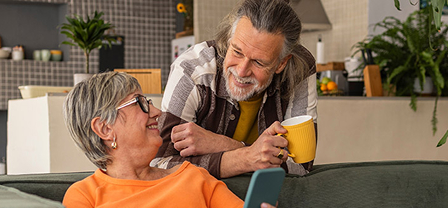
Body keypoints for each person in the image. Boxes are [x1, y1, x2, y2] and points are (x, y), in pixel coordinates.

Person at [152, 0, 318, 179]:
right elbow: (160, 165)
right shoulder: (191, 70)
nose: (241, 71)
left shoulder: (300, 68)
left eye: (258, 62)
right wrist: (247, 156)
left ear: (282, 63)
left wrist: (221, 144)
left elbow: (301, 165)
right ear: (230, 39)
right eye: (237, 52)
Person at [62, 72, 276, 208]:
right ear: (105, 128)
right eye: (139, 103)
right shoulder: (84, 197)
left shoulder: (194, 178)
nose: (157, 112)